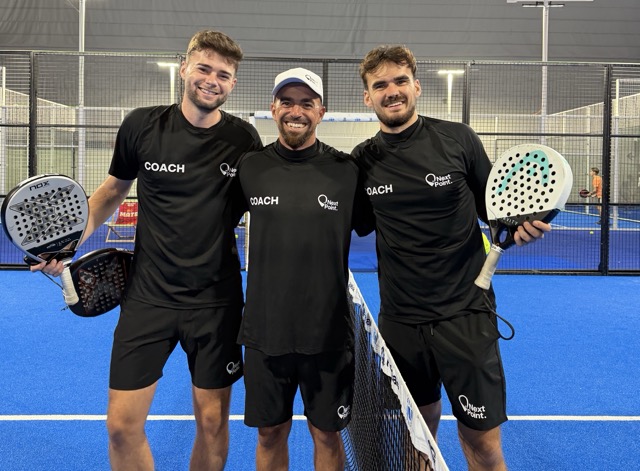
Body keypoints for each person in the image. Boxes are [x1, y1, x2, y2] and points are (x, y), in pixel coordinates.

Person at [32, 30, 262, 471]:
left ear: (233, 83)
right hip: (147, 299)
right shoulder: (141, 125)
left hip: (216, 303)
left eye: (223, 74)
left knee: (212, 423)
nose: (211, 80)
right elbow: (111, 192)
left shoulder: (244, 140)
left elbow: (267, 208)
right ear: (184, 67)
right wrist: (66, 243)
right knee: (121, 426)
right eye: (204, 68)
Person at [352, 45, 552, 471]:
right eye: (380, 85)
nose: (392, 91)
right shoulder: (362, 161)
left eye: (400, 80)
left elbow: (497, 211)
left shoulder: (458, 139)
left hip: (466, 316)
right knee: (415, 437)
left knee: (482, 443)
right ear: (368, 97)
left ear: (417, 86)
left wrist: (522, 228)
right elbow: (355, 223)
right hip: (401, 321)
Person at [236, 68, 369, 471]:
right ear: (273, 108)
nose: (296, 111)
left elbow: (393, 224)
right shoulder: (250, 167)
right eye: (287, 102)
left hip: (328, 335)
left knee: (326, 434)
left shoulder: (346, 171)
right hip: (264, 332)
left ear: (321, 112)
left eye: (306, 103)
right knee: (269, 433)